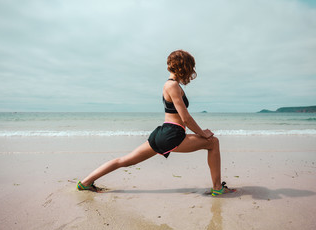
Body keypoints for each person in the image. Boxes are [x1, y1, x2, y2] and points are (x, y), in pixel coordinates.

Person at [77, 50, 235, 196]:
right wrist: (203, 133)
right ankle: (217, 188)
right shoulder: (173, 86)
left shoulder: (170, 85)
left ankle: (85, 183)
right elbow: (185, 118)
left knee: (124, 161)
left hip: (163, 133)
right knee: (213, 142)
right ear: (184, 67)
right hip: (172, 135)